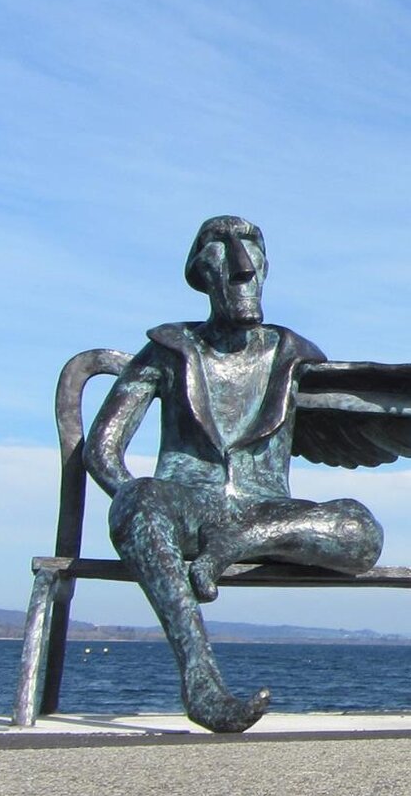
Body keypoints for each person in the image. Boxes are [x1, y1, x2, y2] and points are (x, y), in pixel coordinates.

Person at [85, 216, 383, 731]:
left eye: (251, 250)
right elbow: (102, 450)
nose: (243, 266)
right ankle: (201, 679)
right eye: (224, 253)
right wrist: (138, 504)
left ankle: (236, 541)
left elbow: (381, 398)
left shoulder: (295, 358)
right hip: (187, 502)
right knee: (138, 503)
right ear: (203, 274)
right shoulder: (169, 349)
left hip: (268, 512)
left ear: (264, 267)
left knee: (361, 530)